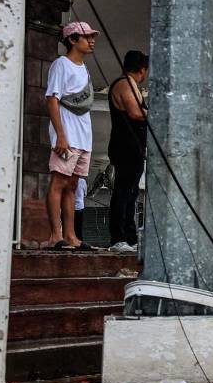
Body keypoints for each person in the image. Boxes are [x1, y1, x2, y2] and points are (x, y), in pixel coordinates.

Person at [45, 21, 97, 250]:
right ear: (73, 40)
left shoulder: (84, 68)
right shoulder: (61, 65)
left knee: (73, 185)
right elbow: (52, 99)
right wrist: (60, 136)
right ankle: (55, 235)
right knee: (59, 182)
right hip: (67, 134)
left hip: (84, 134)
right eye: (86, 37)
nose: (92, 40)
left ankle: (71, 235)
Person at [107, 50, 148, 252]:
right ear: (142, 69)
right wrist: (159, 113)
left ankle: (130, 238)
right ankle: (118, 237)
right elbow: (135, 113)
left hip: (134, 147)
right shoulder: (126, 84)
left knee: (131, 193)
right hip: (125, 146)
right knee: (123, 192)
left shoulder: (131, 85)